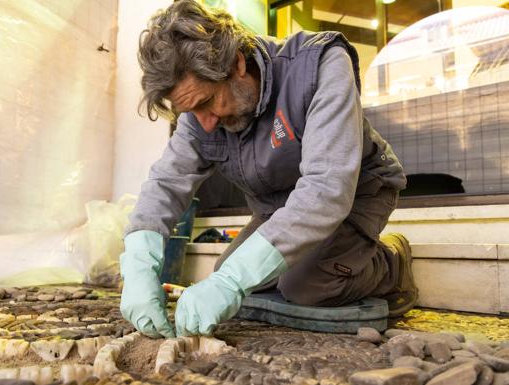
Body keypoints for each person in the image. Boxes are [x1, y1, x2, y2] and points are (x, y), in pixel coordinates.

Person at [119, 0, 417, 339]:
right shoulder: (200, 115)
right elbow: (166, 184)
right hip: (281, 205)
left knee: (306, 286)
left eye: (205, 102)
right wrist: (138, 266)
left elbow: (326, 191)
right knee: (230, 271)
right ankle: (321, 262)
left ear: (237, 64)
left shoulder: (320, 65)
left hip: (354, 192)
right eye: (191, 110)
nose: (205, 122)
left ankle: (391, 264)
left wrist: (234, 280)